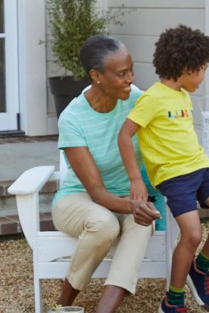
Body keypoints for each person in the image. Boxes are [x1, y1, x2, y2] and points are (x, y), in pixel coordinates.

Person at [118, 25, 209, 313]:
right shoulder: (152, 98)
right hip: (173, 177)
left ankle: (200, 270)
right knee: (192, 234)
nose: (203, 75)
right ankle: (172, 301)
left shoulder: (183, 96)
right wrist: (136, 179)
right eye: (202, 68)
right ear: (187, 67)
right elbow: (125, 135)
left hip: (200, 167)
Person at [52, 35, 161, 313]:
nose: (131, 79)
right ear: (96, 76)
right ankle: (63, 305)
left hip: (127, 198)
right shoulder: (73, 118)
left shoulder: (139, 101)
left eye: (131, 71)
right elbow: (97, 192)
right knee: (105, 223)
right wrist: (134, 205)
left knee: (141, 224)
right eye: (122, 73)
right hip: (79, 200)